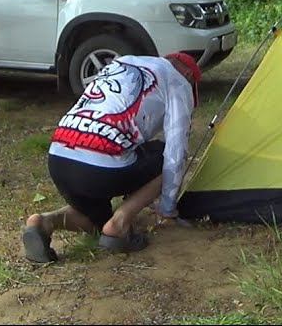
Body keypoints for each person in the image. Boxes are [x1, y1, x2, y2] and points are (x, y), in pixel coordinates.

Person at [20, 51, 202, 263]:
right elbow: (176, 151)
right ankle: (120, 224)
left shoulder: (121, 63)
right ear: (188, 73)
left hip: (59, 157)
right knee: (162, 155)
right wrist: (168, 207)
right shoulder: (178, 80)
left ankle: (43, 222)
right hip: (101, 167)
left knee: (96, 220)